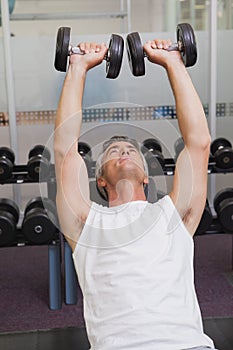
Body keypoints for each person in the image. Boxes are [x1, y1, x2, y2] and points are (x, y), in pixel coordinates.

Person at [54, 38, 218, 350]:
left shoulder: (172, 216)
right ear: (101, 180)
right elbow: (64, 152)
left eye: (131, 150)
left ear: (145, 175)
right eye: (113, 151)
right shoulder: (87, 223)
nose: (124, 152)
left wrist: (173, 62)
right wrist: (77, 66)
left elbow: (199, 143)